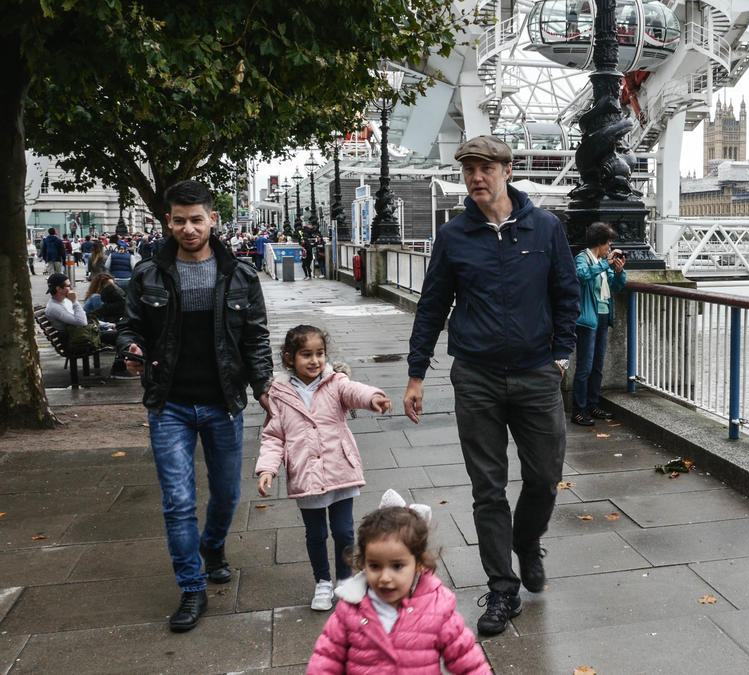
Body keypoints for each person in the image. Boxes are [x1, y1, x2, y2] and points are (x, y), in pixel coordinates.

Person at [404, 134, 579, 637]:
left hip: (537, 374)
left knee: (545, 477)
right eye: (468, 169)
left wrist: (560, 356)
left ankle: (526, 542)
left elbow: (565, 293)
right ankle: (503, 588)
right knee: (488, 489)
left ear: (507, 170)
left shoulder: (545, 228)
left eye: (486, 168)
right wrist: (417, 374)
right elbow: (433, 306)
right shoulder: (454, 236)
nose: (476, 177)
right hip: (477, 375)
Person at [117, 179, 273, 633]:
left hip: (224, 402)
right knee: (179, 501)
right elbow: (131, 328)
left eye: (197, 220)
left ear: (212, 220)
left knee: (226, 495)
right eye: (180, 221)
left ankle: (214, 546)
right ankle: (191, 586)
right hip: (170, 405)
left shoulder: (241, 275)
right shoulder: (148, 274)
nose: (188, 229)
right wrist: (131, 350)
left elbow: (255, 338)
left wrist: (263, 386)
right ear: (168, 221)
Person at [254, 325, 392, 611]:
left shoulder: (335, 382)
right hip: (306, 475)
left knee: (343, 531)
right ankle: (322, 582)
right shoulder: (279, 394)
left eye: (319, 353)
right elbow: (274, 436)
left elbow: (355, 392)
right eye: (307, 355)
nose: (315, 361)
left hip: (339, 468)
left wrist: (373, 398)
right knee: (315, 534)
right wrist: (267, 469)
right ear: (290, 359)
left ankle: (344, 578)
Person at [308, 490, 489, 675]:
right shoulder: (351, 607)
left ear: (418, 563)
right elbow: (326, 659)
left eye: (397, 566)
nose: (385, 577)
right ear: (363, 563)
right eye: (375, 566)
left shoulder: (437, 607)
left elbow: (466, 659)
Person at [571, 221, 626, 426]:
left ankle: (593, 404)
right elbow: (581, 276)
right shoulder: (583, 258)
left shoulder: (604, 262)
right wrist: (605, 264)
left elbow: (616, 286)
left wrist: (619, 271)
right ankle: (579, 409)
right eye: (608, 244)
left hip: (603, 316)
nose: (610, 248)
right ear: (599, 243)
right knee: (584, 366)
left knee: (597, 365)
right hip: (588, 318)